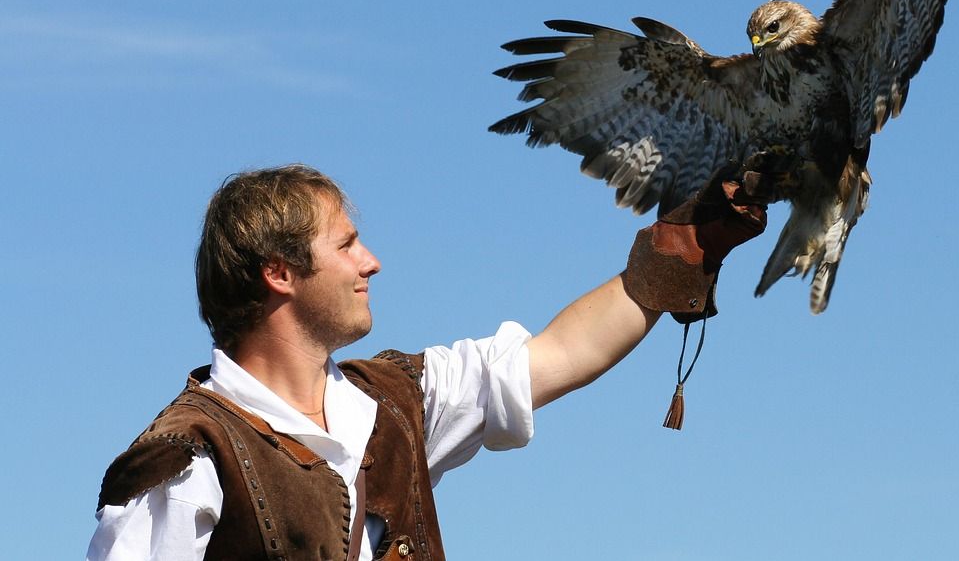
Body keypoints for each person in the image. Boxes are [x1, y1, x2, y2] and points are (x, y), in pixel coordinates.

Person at [88, 162, 770, 560]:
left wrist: (683, 247)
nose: (372, 261)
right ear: (279, 272)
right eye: (347, 244)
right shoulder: (188, 459)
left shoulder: (395, 400)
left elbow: (564, 351)